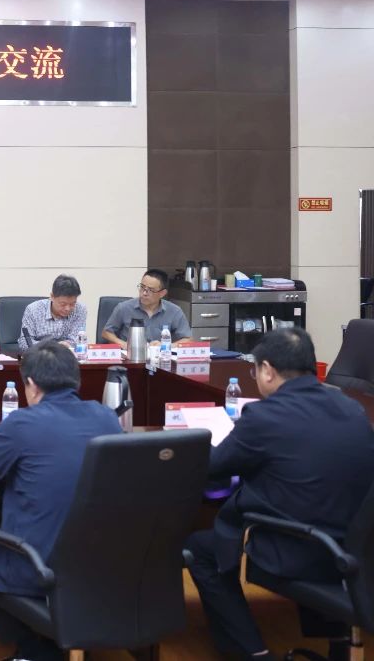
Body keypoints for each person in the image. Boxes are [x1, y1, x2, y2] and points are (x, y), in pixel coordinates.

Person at [186, 328, 374, 661]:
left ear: (268, 370)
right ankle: (334, 638)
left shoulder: (264, 416)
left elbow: (213, 467)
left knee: (202, 550)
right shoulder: (352, 409)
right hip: (354, 549)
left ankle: (253, 652)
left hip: (300, 549)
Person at [0, 338, 123, 661]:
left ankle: (34, 648)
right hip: (101, 563)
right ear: (76, 379)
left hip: (39, 565)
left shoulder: (23, 422)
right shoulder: (105, 418)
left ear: (30, 384)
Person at [101, 269, 192, 346]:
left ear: (162, 293)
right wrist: (124, 345)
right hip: (130, 357)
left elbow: (188, 339)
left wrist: (166, 346)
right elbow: (106, 333)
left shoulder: (174, 311)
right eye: (142, 287)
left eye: (150, 290)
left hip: (159, 357)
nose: (144, 293)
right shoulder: (124, 308)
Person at [17, 274, 88, 350]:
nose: (67, 308)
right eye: (63, 304)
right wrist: (54, 346)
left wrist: (64, 346)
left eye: (72, 304)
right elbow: (24, 343)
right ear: (52, 296)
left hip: (67, 354)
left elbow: (77, 340)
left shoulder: (80, 310)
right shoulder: (33, 310)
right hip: (39, 354)